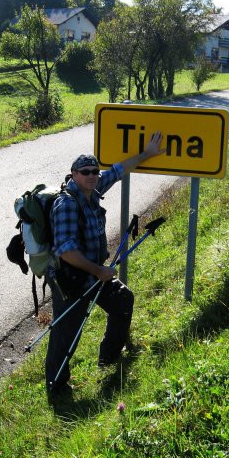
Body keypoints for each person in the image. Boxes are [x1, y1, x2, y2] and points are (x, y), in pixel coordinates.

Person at [45, 131, 165, 398]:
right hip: (70, 278)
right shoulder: (66, 204)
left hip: (94, 274)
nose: (91, 175)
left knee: (122, 300)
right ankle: (56, 387)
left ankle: (108, 359)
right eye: (85, 171)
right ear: (74, 174)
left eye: (95, 171)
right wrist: (98, 270)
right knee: (67, 332)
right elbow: (65, 250)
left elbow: (119, 170)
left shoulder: (94, 190)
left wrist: (147, 153)